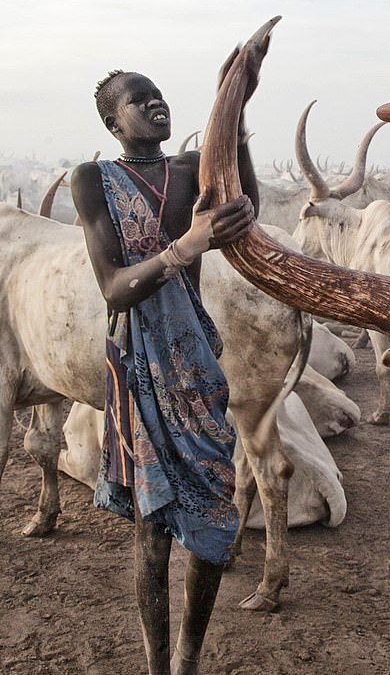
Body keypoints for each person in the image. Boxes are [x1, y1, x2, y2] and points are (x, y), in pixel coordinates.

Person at [71, 48, 262, 675]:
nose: (155, 103)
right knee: (152, 535)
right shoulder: (92, 180)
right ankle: (158, 665)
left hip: (195, 370)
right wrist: (187, 245)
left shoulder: (191, 168)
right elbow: (114, 288)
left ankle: (188, 657)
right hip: (138, 371)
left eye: (159, 94)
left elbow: (243, 207)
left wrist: (233, 109)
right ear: (112, 122)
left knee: (212, 525)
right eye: (137, 98)